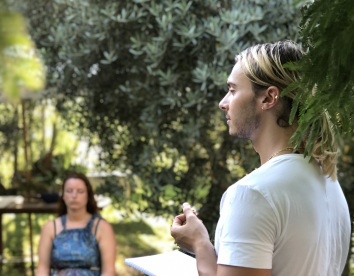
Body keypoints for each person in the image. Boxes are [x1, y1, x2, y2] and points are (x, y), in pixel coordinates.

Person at [171, 41, 351, 276]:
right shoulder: (329, 182)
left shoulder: (253, 193)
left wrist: (199, 243)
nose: (223, 103)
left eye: (233, 90)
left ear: (268, 98)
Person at [36, 173, 116, 276]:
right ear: (63, 195)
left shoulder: (102, 228)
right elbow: (42, 269)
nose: (74, 196)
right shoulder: (50, 228)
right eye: (69, 191)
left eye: (80, 191)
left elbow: (108, 271)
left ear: (88, 195)